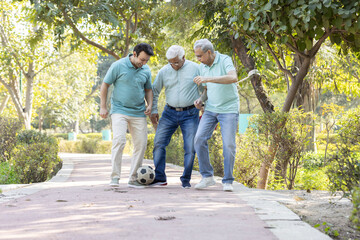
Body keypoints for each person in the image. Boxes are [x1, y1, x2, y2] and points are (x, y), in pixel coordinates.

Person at [100, 43, 154, 189]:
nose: (144, 63)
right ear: (134, 54)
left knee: (141, 144)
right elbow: (105, 85)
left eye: (146, 61)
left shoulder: (146, 70)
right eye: (142, 60)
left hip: (138, 112)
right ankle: (115, 177)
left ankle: (133, 178)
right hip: (119, 110)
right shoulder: (118, 65)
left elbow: (148, 90)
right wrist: (103, 106)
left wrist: (149, 105)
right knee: (119, 140)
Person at [150, 45, 201, 189]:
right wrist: (154, 110)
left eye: (176, 62)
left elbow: (204, 89)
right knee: (159, 142)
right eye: (170, 62)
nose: (173, 65)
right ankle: (160, 177)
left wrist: (205, 109)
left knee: (190, 147)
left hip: (190, 113)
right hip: (169, 113)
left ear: (184, 57)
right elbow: (155, 91)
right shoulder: (164, 71)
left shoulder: (195, 69)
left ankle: (186, 179)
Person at [192, 39, 239, 192]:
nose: (198, 59)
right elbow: (206, 90)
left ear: (209, 52)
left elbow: (233, 77)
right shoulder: (202, 67)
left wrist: (207, 78)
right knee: (199, 139)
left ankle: (228, 181)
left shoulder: (225, 60)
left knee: (228, 145)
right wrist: (200, 100)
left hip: (229, 109)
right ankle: (207, 177)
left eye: (200, 56)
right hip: (211, 109)